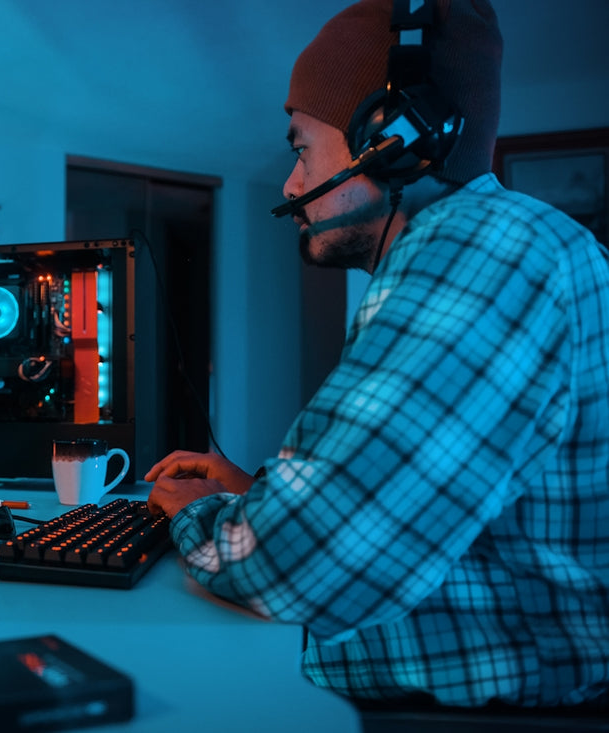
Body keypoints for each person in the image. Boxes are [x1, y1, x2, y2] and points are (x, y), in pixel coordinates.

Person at [146, 0, 609, 714]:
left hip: (489, 718)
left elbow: (298, 567)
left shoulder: (479, 251)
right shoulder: (486, 243)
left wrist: (198, 515)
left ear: (390, 138)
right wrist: (251, 497)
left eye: (301, 147)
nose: (292, 186)